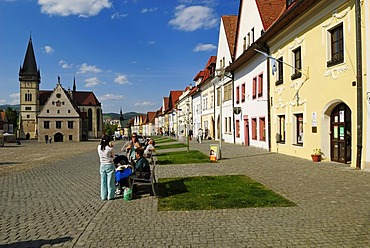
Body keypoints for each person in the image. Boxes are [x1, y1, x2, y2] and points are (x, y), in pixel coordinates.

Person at [97, 134, 116, 200]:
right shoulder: (110, 149)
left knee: (103, 181)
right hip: (109, 164)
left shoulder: (99, 147)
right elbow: (113, 156)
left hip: (102, 164)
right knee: (110, 181)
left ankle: (103, 196)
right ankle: (110, 196)